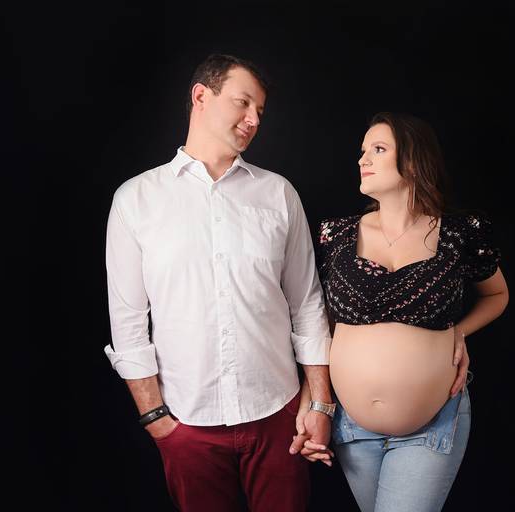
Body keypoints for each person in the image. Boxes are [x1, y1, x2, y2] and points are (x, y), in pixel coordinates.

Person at [103, 53, 335, 512]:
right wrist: (155, 418)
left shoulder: (278, 194)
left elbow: (307, 304)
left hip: (279, 416)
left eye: (260, 111)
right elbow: (128, 322)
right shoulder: (136, 199)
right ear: (201, 97)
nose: (253, 120)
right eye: (242, 102)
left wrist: (320, 405)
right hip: (187, 422)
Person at [291, 112, 510, 511]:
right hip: (352, 429)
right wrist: (314, 401)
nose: (363, 159)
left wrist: (458, 331)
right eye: (363, 151)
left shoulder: (460, 232)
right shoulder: (336, 234)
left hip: (432, 423)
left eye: (378, 149)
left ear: (412, 160)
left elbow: (497, 295)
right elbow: (321, 322)